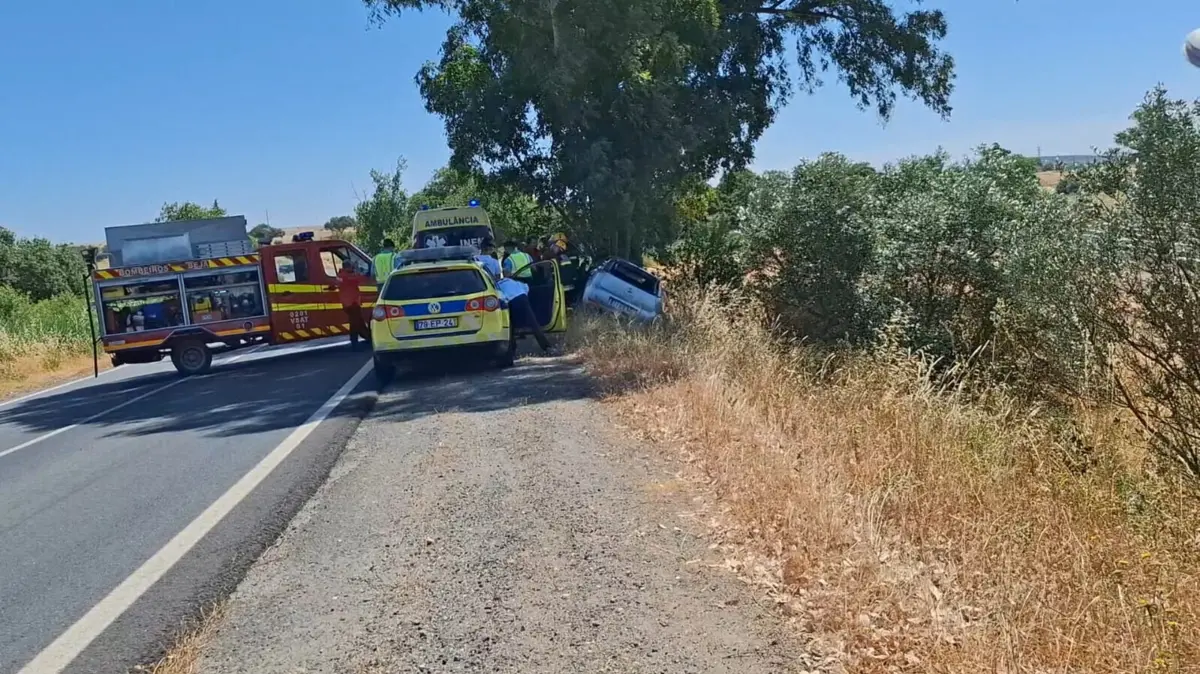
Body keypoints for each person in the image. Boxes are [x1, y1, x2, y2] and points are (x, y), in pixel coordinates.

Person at [477, 238, 551, 353]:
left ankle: (511, 349)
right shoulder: (526, 256)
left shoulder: (504, 263)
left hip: (505, 295)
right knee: (533, 322)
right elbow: (534, 271)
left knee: (509, 324)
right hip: (523, 291)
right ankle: (546, 346)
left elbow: (503, 278)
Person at [334, 258, 371, 348]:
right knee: (355, 323)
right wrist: (358, 270)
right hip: (352, 303)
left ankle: (368, 337)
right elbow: (360, 278)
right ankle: (354, 343)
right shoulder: (348, 276)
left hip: (347, 303)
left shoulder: (340, 275)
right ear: (348, 267)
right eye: (351, 266)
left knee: (359, 321)